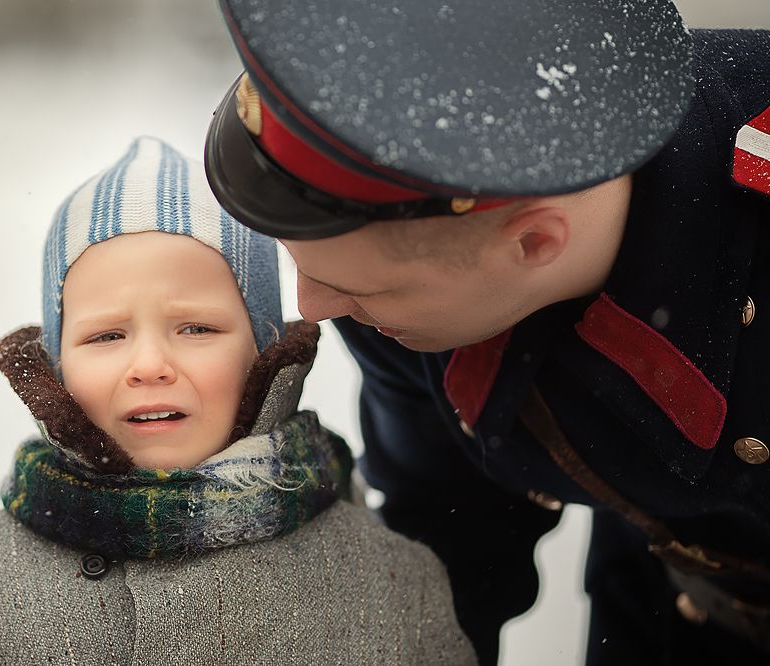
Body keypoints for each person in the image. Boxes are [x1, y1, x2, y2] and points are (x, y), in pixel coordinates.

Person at [203, 1, 770, 664]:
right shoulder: (395, 293)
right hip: (674, 608)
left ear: (533, 242)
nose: (312, 307)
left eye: (363, 289)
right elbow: (452, 526)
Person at [0, 136, 477, 665]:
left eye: (196, 328)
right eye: (106, 336)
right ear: (56, 367)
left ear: (265, 353)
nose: (149, 365)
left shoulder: (393, 586)